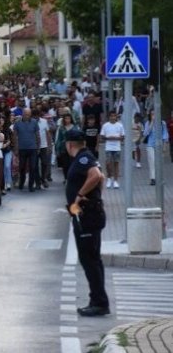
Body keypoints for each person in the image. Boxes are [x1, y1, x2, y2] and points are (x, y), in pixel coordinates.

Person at [64, 129, 109, 317]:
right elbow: (102, 178)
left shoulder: (83, 158)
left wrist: (80, 197)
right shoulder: (86, 156)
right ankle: (98, 300)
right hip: (86, 214)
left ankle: (99, 302)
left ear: (69, 144)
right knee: (92, 259)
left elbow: (97, 176)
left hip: (87, 216)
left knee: (89, 259)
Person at [12, 108, 40, 191]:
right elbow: (14, 137)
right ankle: (21, 182)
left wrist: (38, 147)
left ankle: (31, 185)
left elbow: (37, 135)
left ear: (30, 114)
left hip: (33, 148)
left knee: (33, 167)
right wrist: (15, 148)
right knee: (22, 167)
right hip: (22, 148)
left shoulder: (34, 122)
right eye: (25, 114)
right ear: (22, 114)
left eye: (28, 114)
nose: (27, 116)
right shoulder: (17, 123)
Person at [142, 110, 170, 186]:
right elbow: (145, 133)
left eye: (155, 114)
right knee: (152, 161)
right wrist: (152, 122)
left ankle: (160, 178)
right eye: (152, 114)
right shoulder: (148, 123)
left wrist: (164, 146)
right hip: (150, 145)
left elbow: (165, 134)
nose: (153, 115)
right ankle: (153, 179)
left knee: (160, 162)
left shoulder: (162, 123)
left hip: (160, 145)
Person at [99, 111, 124, 189]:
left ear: (116, 117)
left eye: (114, 116)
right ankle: (109, 178)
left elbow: (123, 137)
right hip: (108, 147)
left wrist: (116, 138)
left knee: (116, 164)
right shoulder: (105, 125)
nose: (113, 117)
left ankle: (116, 181)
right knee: (108, 163)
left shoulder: (120, 125)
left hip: (117, 147)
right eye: (111, 116)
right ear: (108, 117)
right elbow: (102, 136)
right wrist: (109, 138)